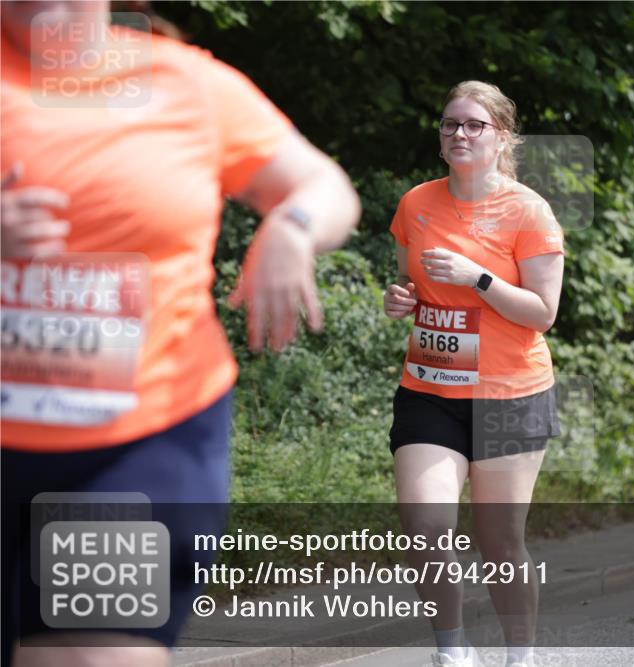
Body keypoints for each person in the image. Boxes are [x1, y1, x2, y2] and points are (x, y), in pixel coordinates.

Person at [0, 2, 360, 666]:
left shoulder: (187, 85)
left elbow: (321, 181)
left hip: (129, 449)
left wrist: (292, 225)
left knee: (93, 657)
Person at [383, 80, 565, 667]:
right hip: (431, 389)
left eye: (474, 125)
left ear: (501, 137)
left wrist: (477, 278)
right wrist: (402, 299)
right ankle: (453, 650)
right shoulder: (416, 204)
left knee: (499, 544)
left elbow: (543, 313)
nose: (459, 133)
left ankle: (520, 655)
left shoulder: (528, 211)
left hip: (511, 394)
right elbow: (413, 282)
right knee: (426, 529)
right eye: (450, 124)